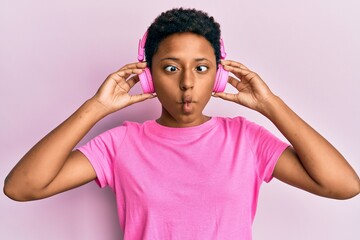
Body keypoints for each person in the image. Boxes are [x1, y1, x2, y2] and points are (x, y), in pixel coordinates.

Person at [3, 7, 359, 240]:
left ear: (219, 77)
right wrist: (96, 108)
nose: (187, 82)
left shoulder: (245, 139)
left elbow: (343, 185)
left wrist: (271, 105)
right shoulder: (120, 144)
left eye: (202, 68)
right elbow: (22, 187)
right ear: (149, 77)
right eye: (171, 68)